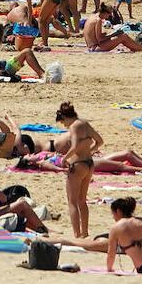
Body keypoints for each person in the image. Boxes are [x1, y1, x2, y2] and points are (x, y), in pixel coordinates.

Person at [56, 102, 100, 238]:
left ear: (65, 117)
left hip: (78, 164)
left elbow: (74, 146)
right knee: (82, 200)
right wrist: (88, 150)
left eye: (63, 122)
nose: (64, 125)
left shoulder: (74, 126)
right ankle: (85, 232)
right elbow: (100, 141)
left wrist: (64, 159)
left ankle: (77, 234)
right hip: (89, 163)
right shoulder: (85, 123)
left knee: (72, 201)